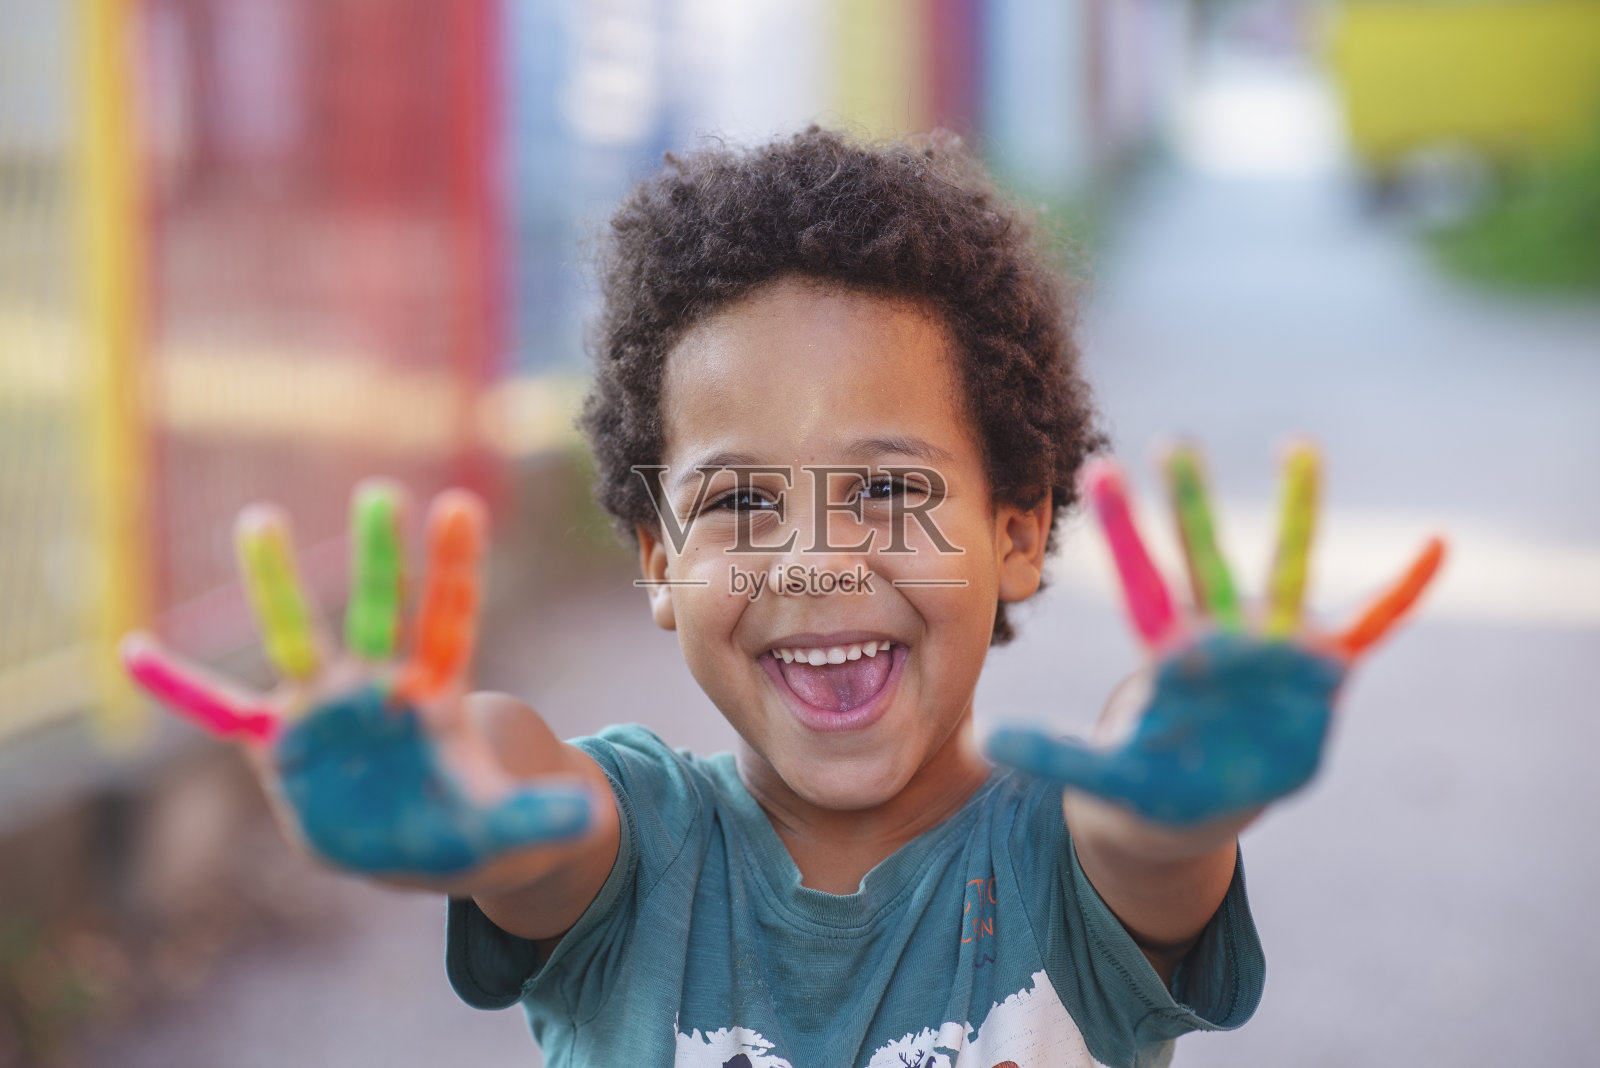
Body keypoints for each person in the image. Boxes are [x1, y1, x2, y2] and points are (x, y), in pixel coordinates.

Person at [123, 127, 1443, 1068]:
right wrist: (447, 794)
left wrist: (1195, 777)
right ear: (655, 560)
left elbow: (1145, 834)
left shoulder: (1070, 855)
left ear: (1020, 531)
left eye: (889, 494)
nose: (815, 561)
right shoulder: (635, 849)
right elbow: (523, 803)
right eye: (740, 502)